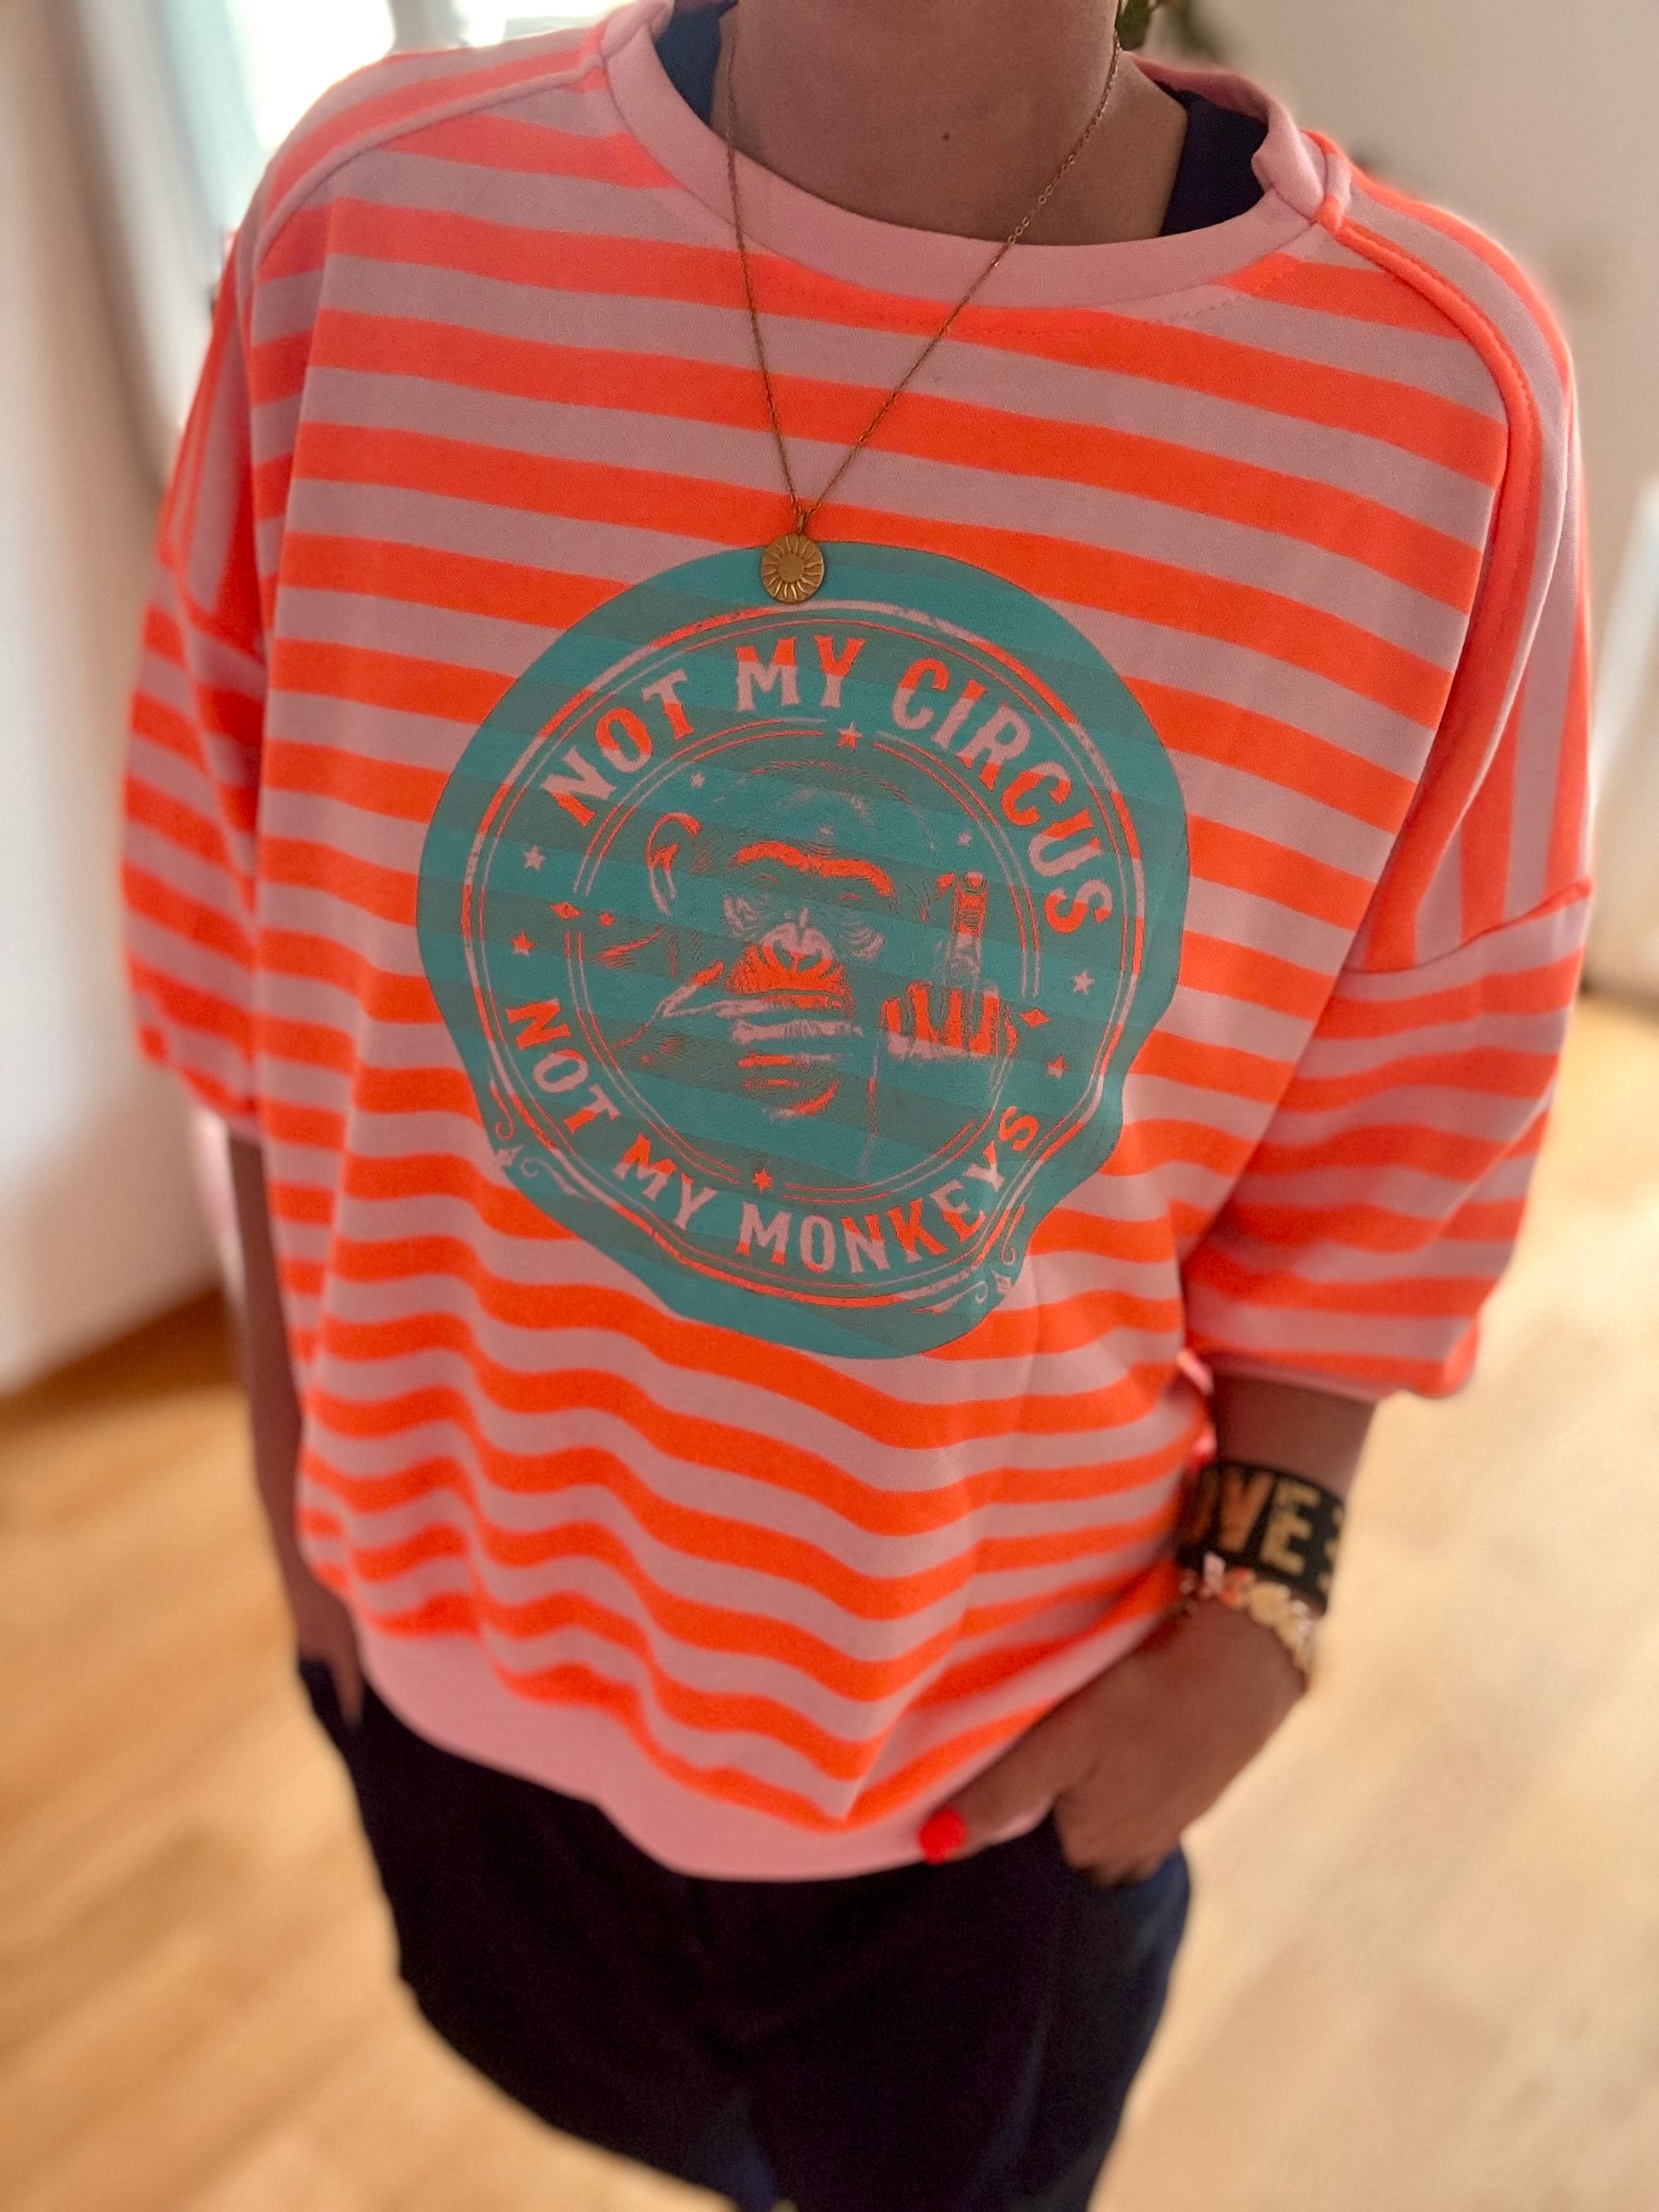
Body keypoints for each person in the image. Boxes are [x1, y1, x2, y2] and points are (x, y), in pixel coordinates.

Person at [121, 1, 1590, 2206]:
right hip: (438, 1665)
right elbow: (239, 925)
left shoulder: (1430, 397)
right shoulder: (369, 222)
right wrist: (288, 1471)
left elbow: (1409, 1119)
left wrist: (1256, 1622)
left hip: (986, 1769)